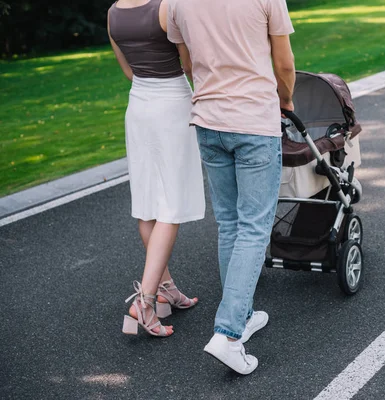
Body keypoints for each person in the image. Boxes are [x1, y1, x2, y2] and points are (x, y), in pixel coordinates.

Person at [168, 0, 296, 374]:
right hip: (254, 119)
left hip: (209, 121)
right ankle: (228, 335)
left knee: (229, 223)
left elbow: (187, 63)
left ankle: (242, 313)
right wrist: (285, 102)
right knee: (254, 227)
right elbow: (284, 64)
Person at [107, 0, 206, 337]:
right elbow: (189, 63)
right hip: (171, 104)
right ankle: (145, 302)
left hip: (138, 106)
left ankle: (166, 289)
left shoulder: (113, 14)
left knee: (148, 203)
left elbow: (128, 71)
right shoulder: (167, 7)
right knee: (171, 205)